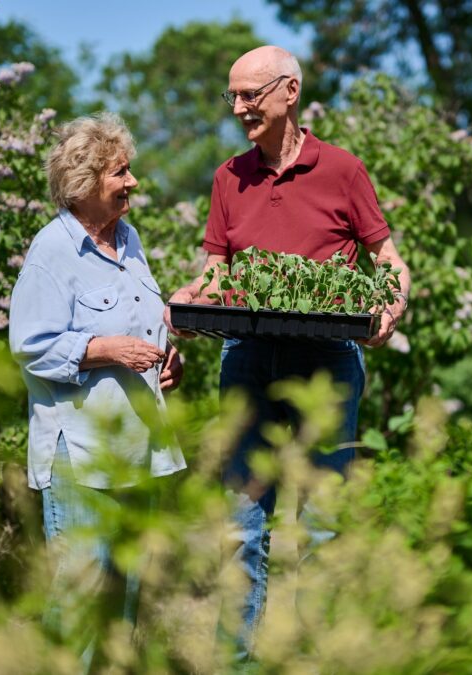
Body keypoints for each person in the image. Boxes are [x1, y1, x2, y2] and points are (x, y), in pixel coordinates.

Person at [164, 46, 411, 657]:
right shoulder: (229, 177)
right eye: (234, 97)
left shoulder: (343, 171)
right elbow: (217, 272)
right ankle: (239, 663)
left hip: (327, 363)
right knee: (241, 526)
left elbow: (389, 263)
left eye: (251, 94)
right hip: (246, 358)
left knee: (323, 524)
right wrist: (190, 299)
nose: (240, 107)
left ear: (289, 91)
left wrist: (389, 307)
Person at [8, 112, 186, 671]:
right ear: (85, 185)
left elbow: (142, 326)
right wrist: (104, 349)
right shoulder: (52, 252)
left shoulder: (128, 240)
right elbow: (30, 344)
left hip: (136, 445)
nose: (133, 182)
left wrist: (165, 359)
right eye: (121, 173)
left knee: (122, 600)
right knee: (81, 596)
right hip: (81, 453)